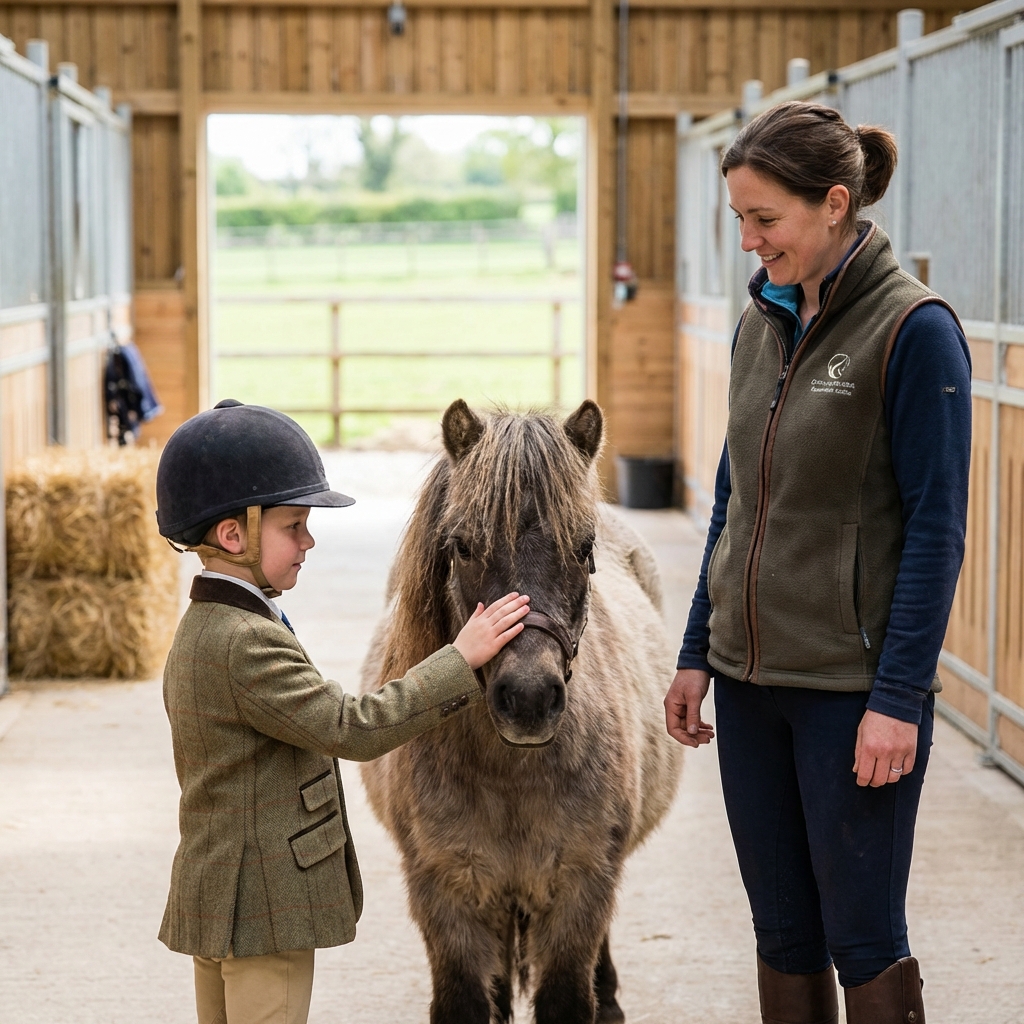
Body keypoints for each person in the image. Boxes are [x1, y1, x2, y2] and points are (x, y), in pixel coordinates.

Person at [664, 102, 971, 1024]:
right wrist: (695, 649)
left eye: (768, 220)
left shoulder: (915, 331)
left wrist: (897, 701)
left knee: (863, 938)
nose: (752, 241)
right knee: (782, 935)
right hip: (750, 686)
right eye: (740, 222)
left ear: (834, 204)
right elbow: (734, 502)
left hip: (851, 693)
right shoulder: (759, 325)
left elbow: (937, 532)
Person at [154, 399, 530, 1024]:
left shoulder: (209, 623)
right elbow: (351, 727)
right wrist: (459, 659)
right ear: (232, 535)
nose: (309, 540)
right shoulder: (244, 642)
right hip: (261, 909)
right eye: (293, 526)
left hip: (223, 896)